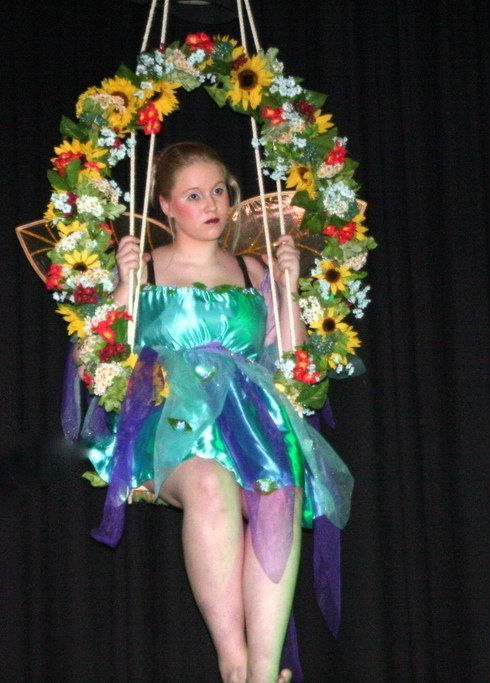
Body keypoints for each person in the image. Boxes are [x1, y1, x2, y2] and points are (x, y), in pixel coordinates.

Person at [81, 142, 353, 683]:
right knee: (211, 486)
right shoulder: (146, 270)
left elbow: (296, 365)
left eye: (219, 191)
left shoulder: (253, 269)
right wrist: (122, 288)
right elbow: (92, 359)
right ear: (165, 205)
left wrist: (287, 290)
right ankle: (234, 664)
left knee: (280, 493)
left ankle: (263, 672)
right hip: (170, 424)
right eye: (193, 195)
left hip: (249, 423)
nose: (212, 204)